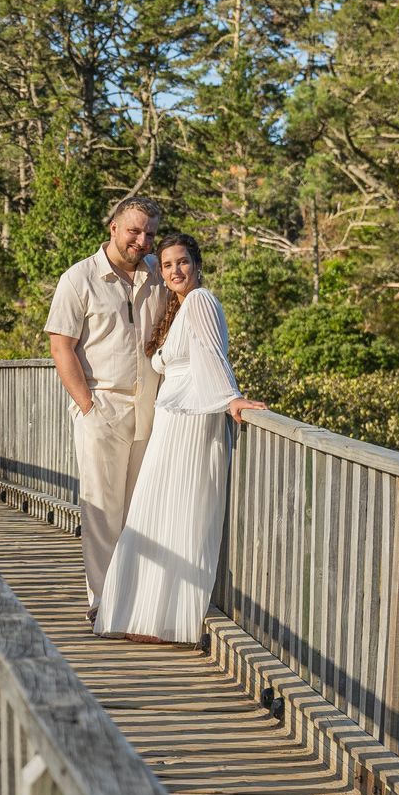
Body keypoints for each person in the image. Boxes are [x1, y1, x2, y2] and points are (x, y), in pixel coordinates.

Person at [93, 233, 267, 643]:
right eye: (167, 264)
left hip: (193, 419)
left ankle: (166, 622)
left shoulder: (202, 300)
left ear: (198, 265)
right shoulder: (179, 307)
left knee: (181, 512)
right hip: (171, 420)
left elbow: (212, 354)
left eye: (182, 262)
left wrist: (232, 398)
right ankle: (143, 615)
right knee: (154, 512)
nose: (175, 270)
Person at [45, 196, 167, 618]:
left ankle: (133, 599)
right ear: (113, 228)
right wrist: (86, 404)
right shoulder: (79, 278)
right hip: (102, 406)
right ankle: (104, 603)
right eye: (134, 230)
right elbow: (61, 346)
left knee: (140, 508)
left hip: (150, 409)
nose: (142, 240)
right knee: (101, 509)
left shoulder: (159, 275)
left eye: (149, 233)